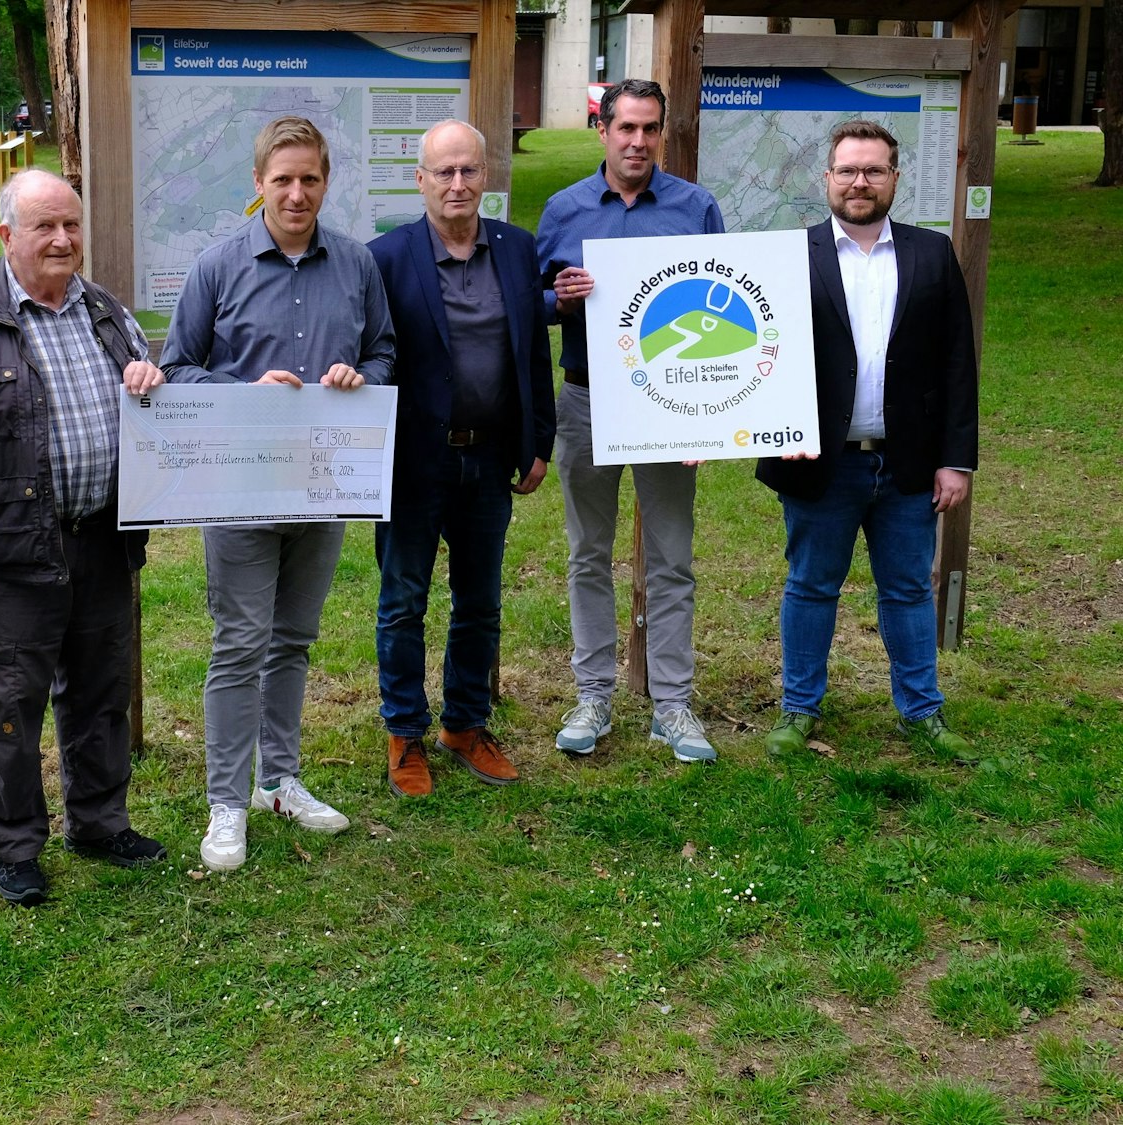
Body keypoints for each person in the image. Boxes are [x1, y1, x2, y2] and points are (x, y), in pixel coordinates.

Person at [0, 169, 169, 905]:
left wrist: (149, 380)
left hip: (102, 538)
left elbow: (149, 396)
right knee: (10, 701)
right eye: (44, 227)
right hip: (14, 549)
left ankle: (98, 821)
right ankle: (15, 844)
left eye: (71, 225)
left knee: (101, 690)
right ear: (7, 236)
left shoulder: (105, 312)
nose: (63, 239)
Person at [162, 116, 395, 873]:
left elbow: (384, 351)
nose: (297, 194)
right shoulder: (217, 267)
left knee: (293, 637)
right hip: (240, 487)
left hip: (322, 484)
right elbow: (178, 367)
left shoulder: (356, 264)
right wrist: (243, 390)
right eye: (283, 180)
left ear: (327, 182)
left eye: (310, 179)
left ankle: (279, 780)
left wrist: (361, 376)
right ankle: (227, 801)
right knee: (240, 642)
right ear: (259, 183)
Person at [757, 121, 979, 764]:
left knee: (908, 589)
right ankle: (799, 708)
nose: (860, 182)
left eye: (874, 170)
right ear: (827, 178)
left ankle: (922, 712)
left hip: (907, 462)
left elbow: (957, 364)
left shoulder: (931, 253)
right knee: (810, 586)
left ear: (894, 179)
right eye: (849, 170)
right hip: (819, 460)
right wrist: (778, 427)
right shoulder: (789, 256)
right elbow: (760, 354)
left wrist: (956, 460)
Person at [536, 78, 726, 764]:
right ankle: (593, 694)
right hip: (586, 399)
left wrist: (710, 416)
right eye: (626, 128)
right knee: (588, 552)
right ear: (603, 131)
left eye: (650, 129)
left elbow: (723, 302)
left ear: (662, 134)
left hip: (668, 405)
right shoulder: (563, 210)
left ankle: (672, 704)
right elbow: (528, 303)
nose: (638, 141)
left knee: (671, 557)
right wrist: (558, 300)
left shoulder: (695, 207)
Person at [366, 120, 555, 796]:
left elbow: (533, 353)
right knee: (402, 602)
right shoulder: (385, 258)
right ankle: (404, 731)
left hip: (490, 458)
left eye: (468, 170)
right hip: (412, 463)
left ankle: (466, 724)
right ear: (419, 180)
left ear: (485, 176)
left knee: (479, 602)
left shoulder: (517, 249)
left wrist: (538, 441)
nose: (456, 183)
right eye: (443, 172)